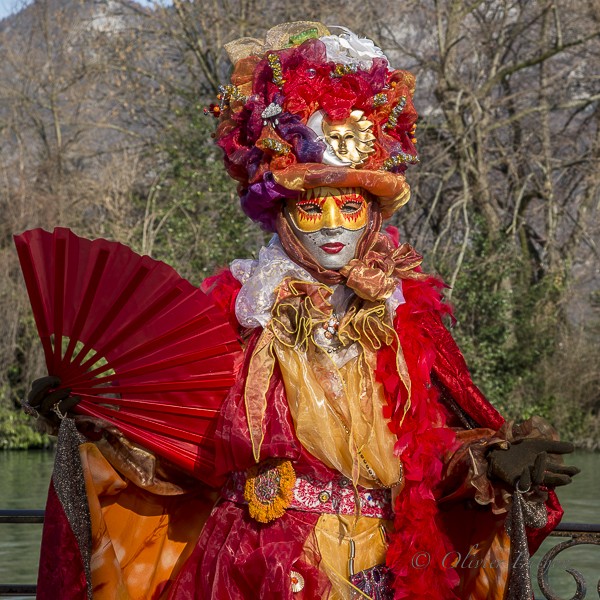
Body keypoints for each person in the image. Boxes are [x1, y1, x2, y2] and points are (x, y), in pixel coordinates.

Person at [25, 22, 578, 600]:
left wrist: (493, 460)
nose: (336, 224)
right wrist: (96, 417)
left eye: (350, 204)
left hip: (386, 564)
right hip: (253, 565)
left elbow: (429, 454)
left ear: (373, 214)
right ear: (282, 213)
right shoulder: (238, 307)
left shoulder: (407, 313)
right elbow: (187, 443)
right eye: (314, 208)